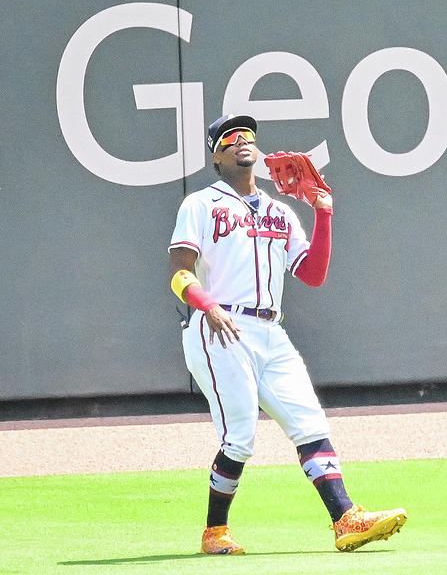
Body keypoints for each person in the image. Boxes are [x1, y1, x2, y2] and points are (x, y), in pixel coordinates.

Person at [167, 114, 407, 554]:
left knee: (309, 423)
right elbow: (179, 272)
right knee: (240, 437)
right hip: (220, 328)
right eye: (230, 137)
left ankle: (345, 518)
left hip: (270, 330)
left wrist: (322, 211)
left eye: (248, 135)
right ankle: (214, 531)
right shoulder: (200, 204)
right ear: (217, 156)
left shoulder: (280, 211)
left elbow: (312, 274)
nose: (242, 140)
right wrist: (206, 305)